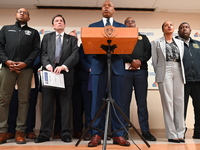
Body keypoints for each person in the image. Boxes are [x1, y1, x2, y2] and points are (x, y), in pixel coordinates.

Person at [87, 0, 130, 147]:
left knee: (118, 100)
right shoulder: (92, 27)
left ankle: (118, 134)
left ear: (114, 10)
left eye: (109, 5)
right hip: (99, 66)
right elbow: (88, 47)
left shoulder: (123, 27)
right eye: (104, 5)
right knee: (97, 101)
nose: (106, 7)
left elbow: (127, 48)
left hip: (116, 66)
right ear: (101, 10)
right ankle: (96, 134)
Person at [34, 14, 79, 143]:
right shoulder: (47, 37)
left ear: (64, 25)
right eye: (56, 21)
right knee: (47, 105)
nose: (59, 23)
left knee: (65, 106)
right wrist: (48, 65)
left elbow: (75, 56)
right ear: (53, 25)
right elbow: (43, 54)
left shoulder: (72, 39)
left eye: (61, 21)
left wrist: (64, 66)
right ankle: (44, 133)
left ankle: (65, 133)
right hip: (49, 74)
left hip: (65, 75)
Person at [0, 8, 40, 144]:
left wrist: (25, 64)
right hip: (7, 68)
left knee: (24, 101)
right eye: (19, 12)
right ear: (15, 15)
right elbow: (0, 47)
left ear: (28, 18)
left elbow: (36, 51)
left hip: (26, 70)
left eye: (25, 13)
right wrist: (7, 61)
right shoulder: (6, 29)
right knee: (3, 100)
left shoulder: (33, 33)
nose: (22, 13)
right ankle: (2, 131)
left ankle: (20, 131)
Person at [122, 17, 156, 141]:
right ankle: (123, 131)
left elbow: (148, 52)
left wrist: (139, 61)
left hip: (141, 72)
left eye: (133, 22)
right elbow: (120, 52)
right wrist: (131, 61)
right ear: (124, 25)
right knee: (124, 103)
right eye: (128, 22)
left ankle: (145, 131)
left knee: (142, 103)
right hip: (125, 72)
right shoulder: (121, 38)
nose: (131, 24)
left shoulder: (143, 38)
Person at [151, 21, 185, 143]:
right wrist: (160, 73)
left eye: (171, 25)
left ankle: (180, 132)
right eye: (166, 25)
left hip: (178, 69)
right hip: (165, 70)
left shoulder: (180, 42)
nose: (169, 26)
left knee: (179, 102)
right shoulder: (156, 42)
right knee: (168, 102)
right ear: (163, 29)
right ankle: (171, 134)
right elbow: (155, 61)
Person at [6, 55, 41, 140]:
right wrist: (15, 66)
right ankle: (11, 129)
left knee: (30, 102)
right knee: (13, 102)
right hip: (13, 72)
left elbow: (38, 57)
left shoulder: (34, 42)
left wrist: (26, 65)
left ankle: (29, 130)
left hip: (30, 73)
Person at [176, 22, 200, 139]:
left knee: (199, 107)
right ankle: (180, 132)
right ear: (179, 31)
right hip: (183, 81)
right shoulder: (176, 44)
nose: (184, 29)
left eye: (186, 27)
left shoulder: (198, 44)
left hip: (198, 81)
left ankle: (198, 132)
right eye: (182, 27)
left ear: (190, 30)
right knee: (181, 108)